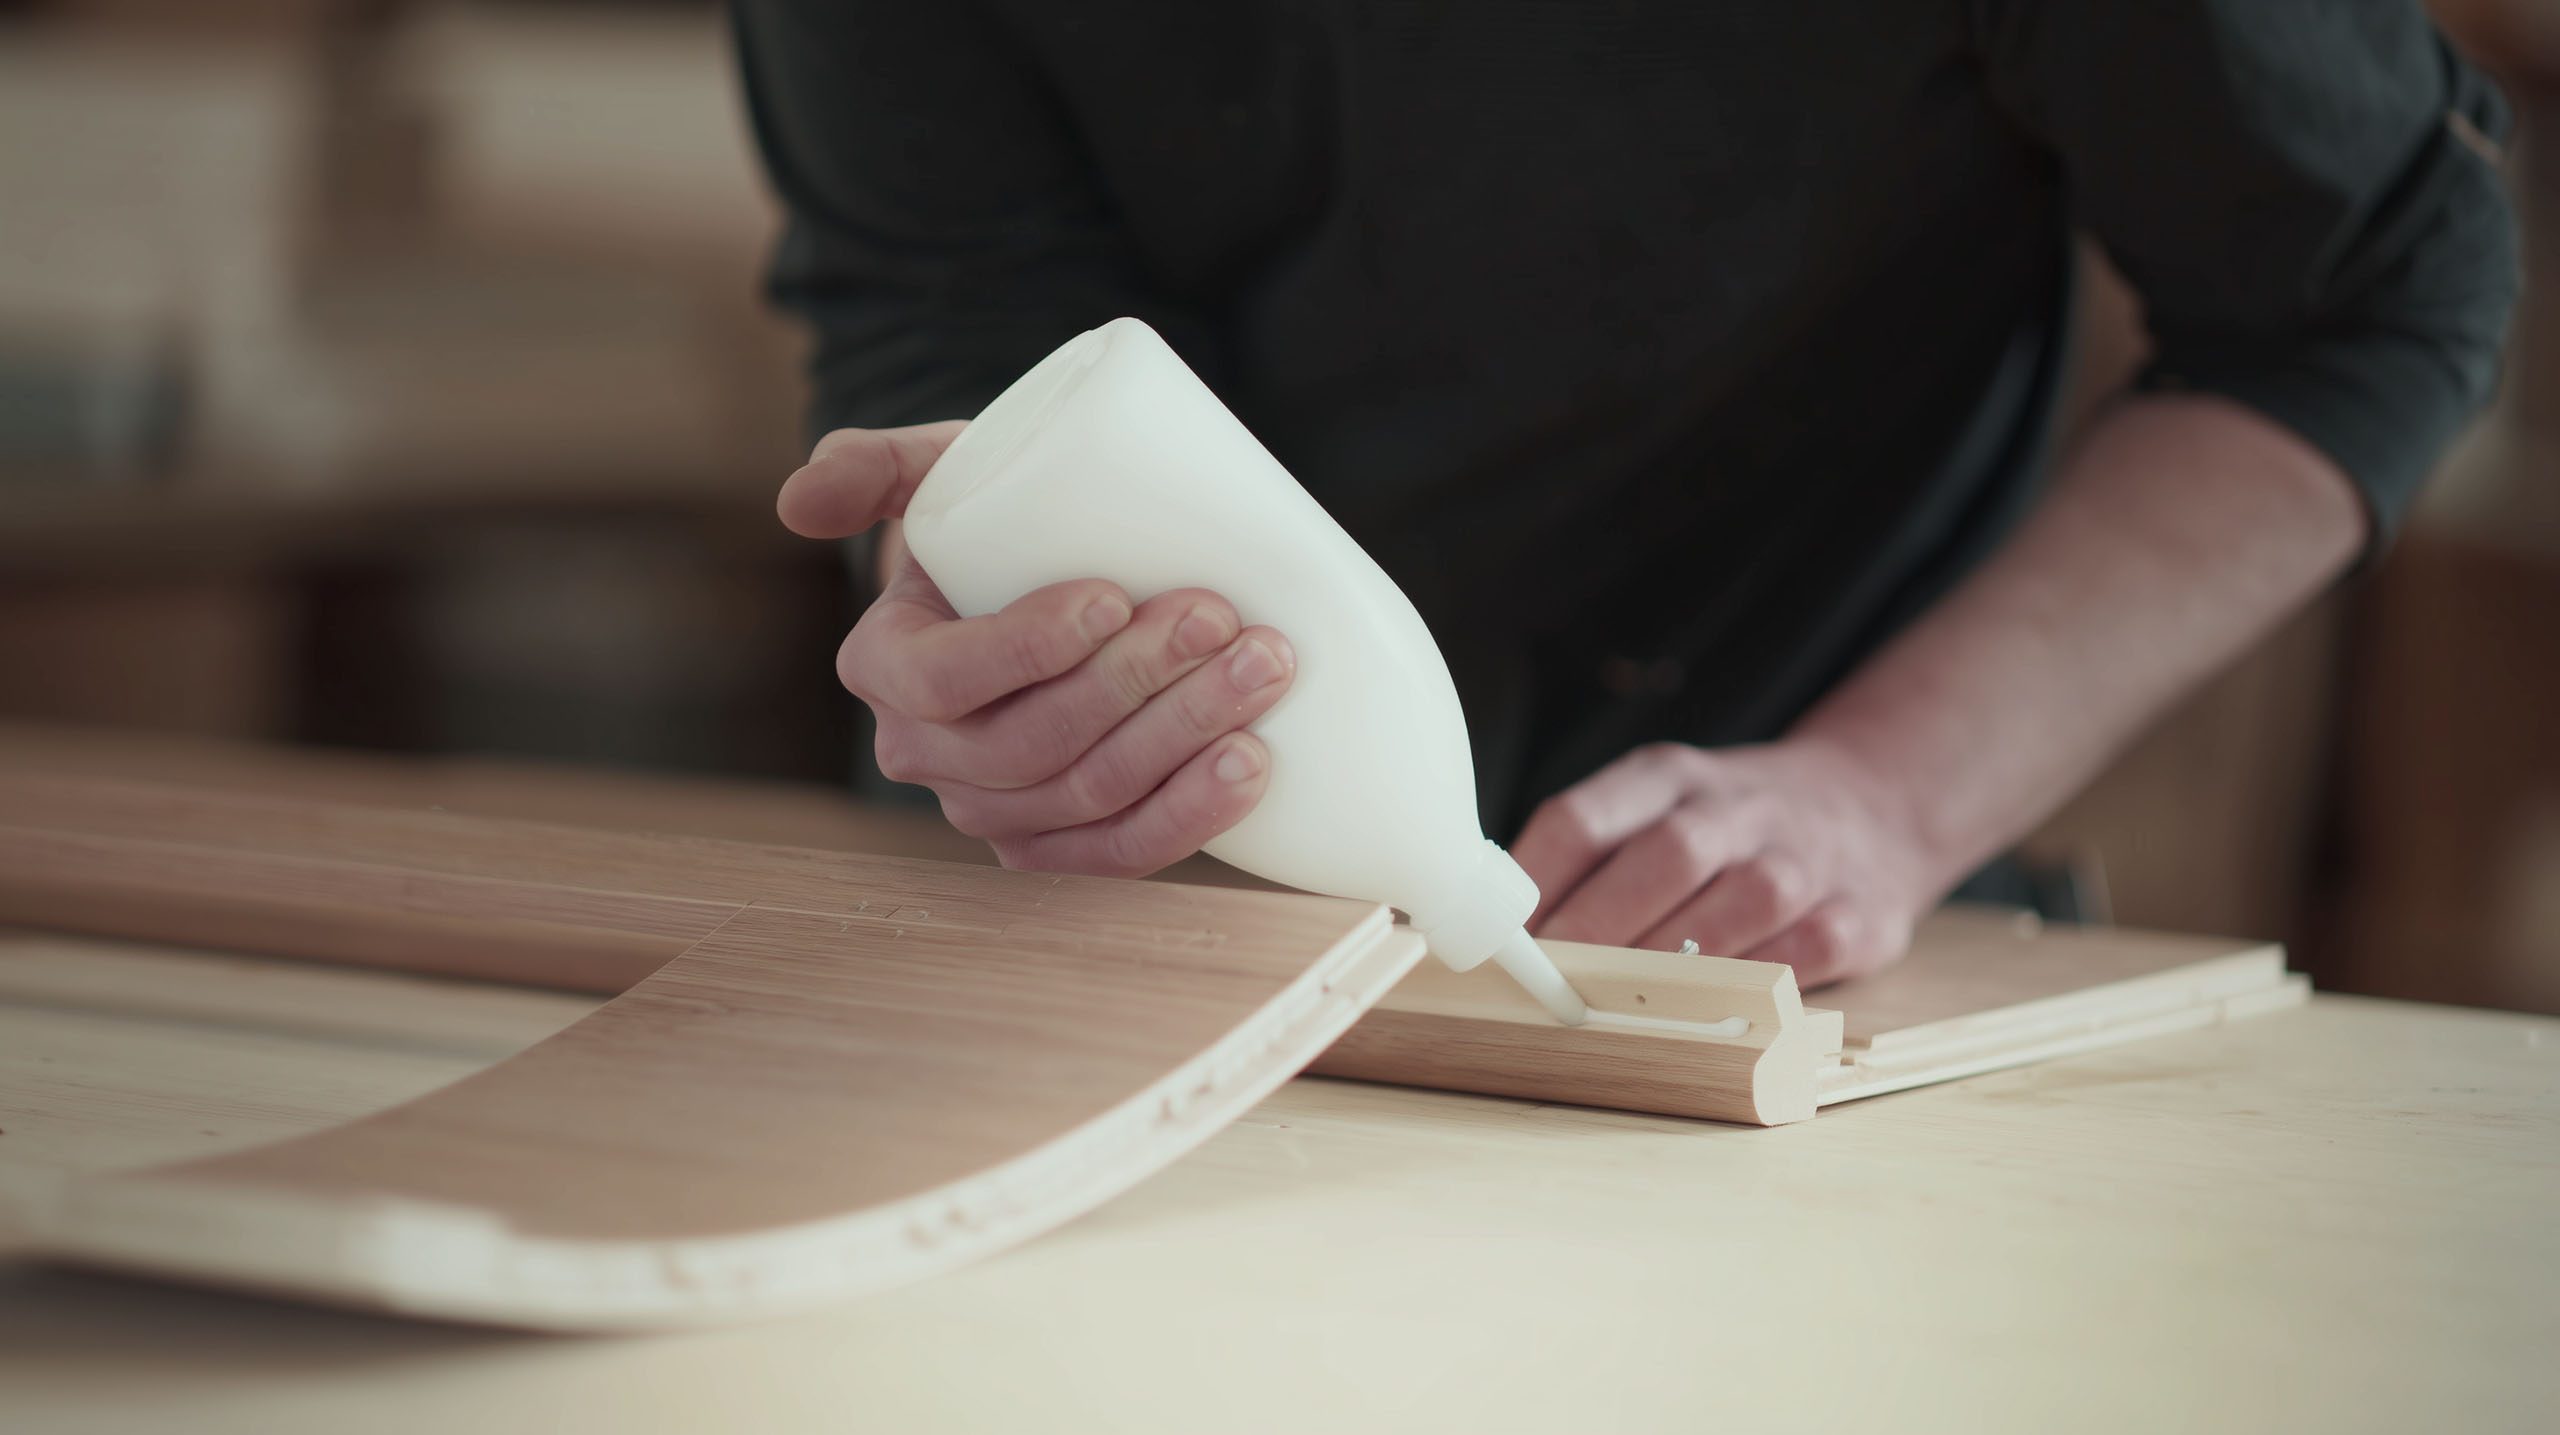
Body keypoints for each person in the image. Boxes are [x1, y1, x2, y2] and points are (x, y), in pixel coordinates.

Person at [736, 2, 2518, 985]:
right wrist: (1003, 644)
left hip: (1785, 926)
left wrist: (1884, 796)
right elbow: (955, 332)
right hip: (1104, 928)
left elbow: (2370, 299)